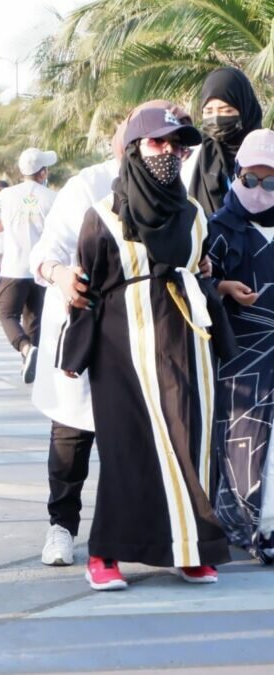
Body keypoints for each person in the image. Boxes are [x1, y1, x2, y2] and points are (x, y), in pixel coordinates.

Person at [58, 107, 229, 590]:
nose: (170, 154)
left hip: (186, 346)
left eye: (179, 146)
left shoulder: (195, 215)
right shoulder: (103, 217)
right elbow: (87, 292)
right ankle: (106, 553)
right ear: (134, 148)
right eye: (159, 144)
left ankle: (191, 549)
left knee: (188, 444)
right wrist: (75, 356)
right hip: (121, 351)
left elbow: (200, 271)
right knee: (127, 450)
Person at [208, 129, 274, 561]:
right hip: (243, 358)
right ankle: (250, 528)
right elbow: (191, 282)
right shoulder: (219, 228)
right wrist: (222, 288)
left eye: (270, 182)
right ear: (236, 174)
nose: (259, 190)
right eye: (250, 179)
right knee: (243, 442)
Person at [0, 148, 57, 384]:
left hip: (13, 266)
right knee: (34, 318)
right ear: (42, 172)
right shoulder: (51, 197)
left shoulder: (4, 195)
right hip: (42, 268)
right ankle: (30, 361)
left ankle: (26, 349)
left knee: (7, 314)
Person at [185, 67, 263, 216]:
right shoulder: (193, 158)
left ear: (245, 110)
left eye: (226, 111)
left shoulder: (267, 154)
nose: (216, 118)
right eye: (209, 112)